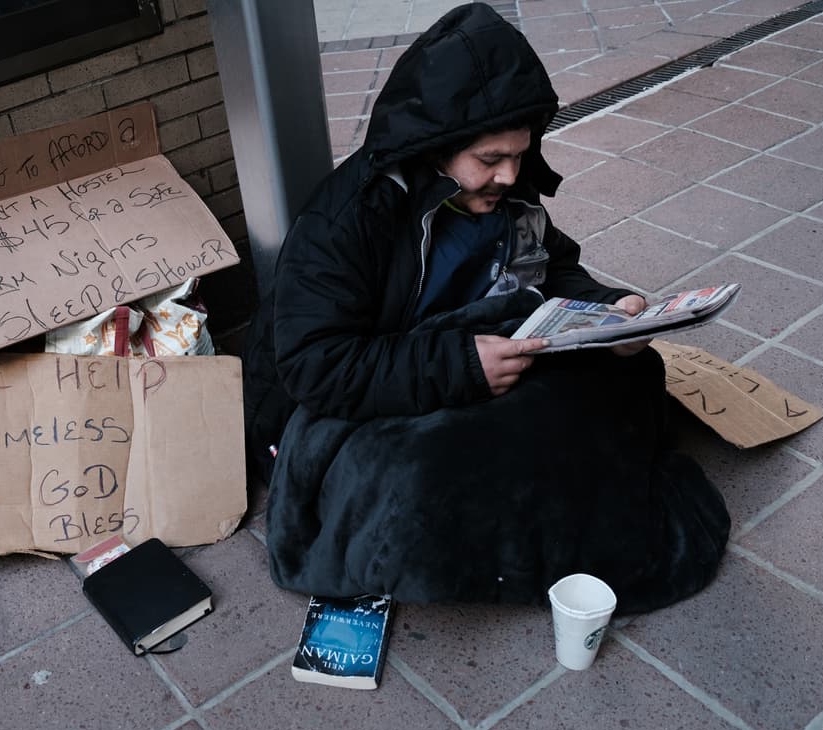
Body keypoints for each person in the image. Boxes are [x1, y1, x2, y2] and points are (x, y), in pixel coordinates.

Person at [242, 3, 730, 615]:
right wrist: (462, 366)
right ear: (435, 148)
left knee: (632, 372)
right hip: (364, 393)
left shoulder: (509, 196)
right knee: (429, 471)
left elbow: (554, 268)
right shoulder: (346, 223)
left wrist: (610, 310)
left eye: (519, 155)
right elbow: (316, 366)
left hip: (477, 355)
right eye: (490, 159)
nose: (509, 175)